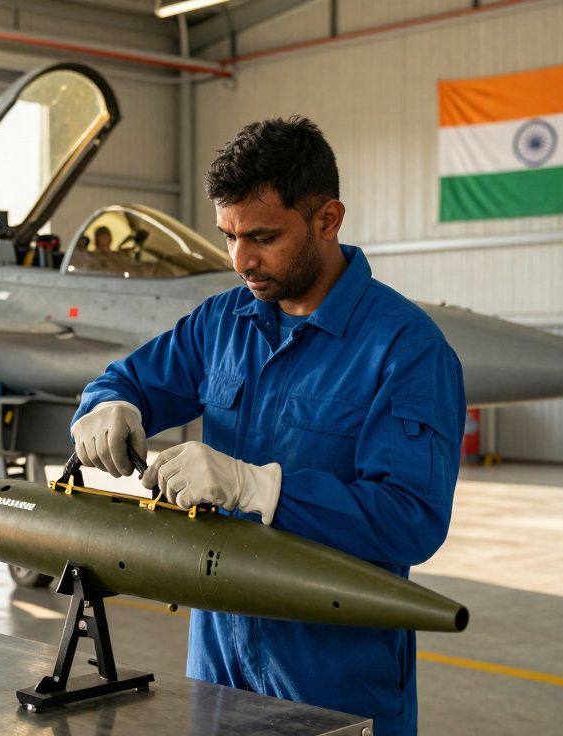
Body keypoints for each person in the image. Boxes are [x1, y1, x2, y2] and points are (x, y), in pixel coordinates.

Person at [69, 117, 465, 736]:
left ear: (328, 220)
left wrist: (261, 490)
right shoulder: (223, 322)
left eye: (262, 237)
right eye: (228, 236)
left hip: (334, 680)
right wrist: (107, 403)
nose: (240, 260)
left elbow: (410, 519)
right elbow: (129, 380)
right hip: (218, 665)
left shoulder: (406, 350)